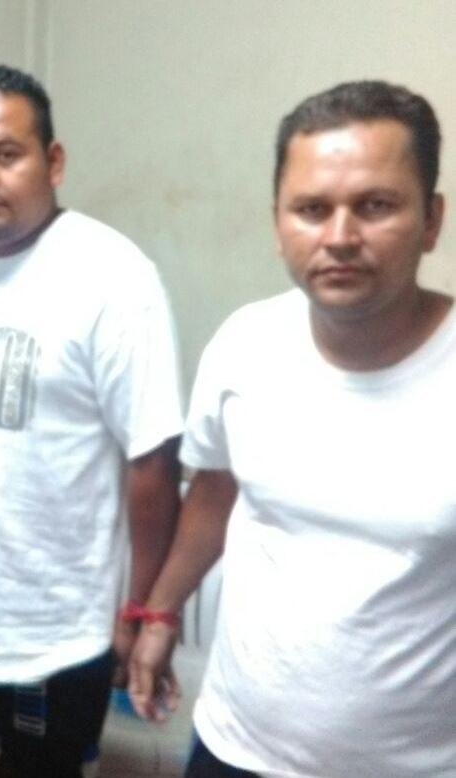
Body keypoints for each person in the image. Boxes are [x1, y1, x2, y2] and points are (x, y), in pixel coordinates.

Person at [129, 80, 455, 778]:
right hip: (235, 747)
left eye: (375, 205)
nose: (340, 237)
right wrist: (160, 614)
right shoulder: (245, 344)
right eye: (312, 209)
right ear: (278, 224)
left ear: (431, 220)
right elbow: (215, 493)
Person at [0, 63, 183, 778]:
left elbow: (153, 462)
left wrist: (141, 611)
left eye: (5, 154)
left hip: (52, 629)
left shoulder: (114, 276)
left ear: (53, 161)